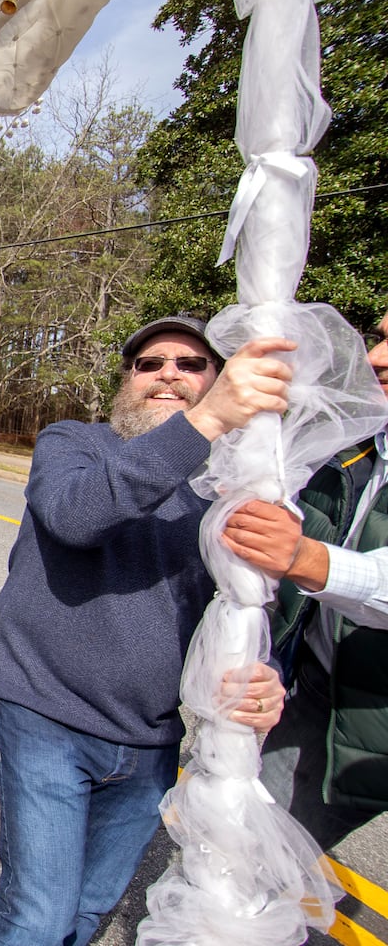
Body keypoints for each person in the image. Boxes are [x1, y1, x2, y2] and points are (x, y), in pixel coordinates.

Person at [0, 316, 296, 946]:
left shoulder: (233, 494)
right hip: (46, 711)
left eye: (191, 364)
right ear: (127, 382)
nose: (169, 373)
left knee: (90, 910)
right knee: (37, 915)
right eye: (151, 364)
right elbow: (75, 516)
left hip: (152, 738)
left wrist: (269, 678)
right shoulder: (75, 443)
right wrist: (204, 425)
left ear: (217, 379)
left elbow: (256, 613)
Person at [220, 309, 388, 849]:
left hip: (376, 711)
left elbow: (307, 561)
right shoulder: (352, 448)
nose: (376, 359)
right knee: (245, 853)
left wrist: (308, 559)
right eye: (380, 338)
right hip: (322, 693)